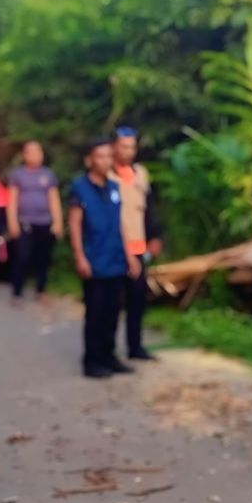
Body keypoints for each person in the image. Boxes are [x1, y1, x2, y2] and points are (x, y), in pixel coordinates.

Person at [68, 139, 141, 378]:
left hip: (115, 259)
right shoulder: (80, 187)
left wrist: (130, 255)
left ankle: (110, 357)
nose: (106, 161)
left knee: (112, 312)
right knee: (95, 313)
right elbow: (75, 225)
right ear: (90, 160)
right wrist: (80, 257)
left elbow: (120, 223)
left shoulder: (113, 186)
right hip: (94, 260)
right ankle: (92, 360)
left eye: (109, 156)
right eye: (100, 156)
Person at [112, 126, 163, 360]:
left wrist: (154, 236)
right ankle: (108, 350)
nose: (128, 151)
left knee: (137, 301)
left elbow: (149, 208)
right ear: (114, 147)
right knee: (112, 303)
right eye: (124, 146)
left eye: (132, 146)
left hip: (139, 246)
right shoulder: (107, 177)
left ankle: (136, 347)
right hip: (114, 248)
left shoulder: (141, 173)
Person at [6, 140, 63, 305]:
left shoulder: (48, 175)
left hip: (45, 223)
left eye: (38, 151)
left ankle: (41, 290)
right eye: (31, 152)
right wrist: (12, 223)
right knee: (22, 258)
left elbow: (54, 199)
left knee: (43, 259)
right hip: (24, 223)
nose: (36, 155)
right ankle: (17, 292)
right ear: (25, 155)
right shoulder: (18, 175)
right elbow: (13, 199)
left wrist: (58, 222)